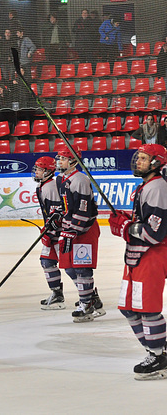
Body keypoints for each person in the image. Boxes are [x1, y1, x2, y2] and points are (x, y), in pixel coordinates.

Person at [108, 144, 167, 380]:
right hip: (136, 255)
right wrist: (127, 220)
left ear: (156, 162)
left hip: (151, 255)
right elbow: (142, 222)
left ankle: (158, 356)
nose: (138, 161)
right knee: (128, 308)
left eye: (144, 158)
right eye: (139, 157)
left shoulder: (158, 188)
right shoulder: (145, 186)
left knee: (147, 308)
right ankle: (158, 349)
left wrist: (125, 227)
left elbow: (155, 233)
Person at [54, 148, 106, 322]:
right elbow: (67, 206)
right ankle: (91, 297)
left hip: (85, 230)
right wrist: (59, 219)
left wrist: (71, 230)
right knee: (69, 267)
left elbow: (83, 211)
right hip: (71, 230)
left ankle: (87, 304)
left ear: (73, 161)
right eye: (59, 158)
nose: (59, 161)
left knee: (82, 268)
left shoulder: (80, 180)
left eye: (63, 159)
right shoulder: (61, 178)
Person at [32, 156, 65, 310]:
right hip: (52, 231)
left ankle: (89, 296)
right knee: (47, 261)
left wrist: (50, 233)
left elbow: (57, 214)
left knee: (71, 268)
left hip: (60, 233)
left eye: (39, 169)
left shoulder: (50, 187)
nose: (36, 172)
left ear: (47, 171)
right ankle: (57, 294)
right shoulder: (44, 185)